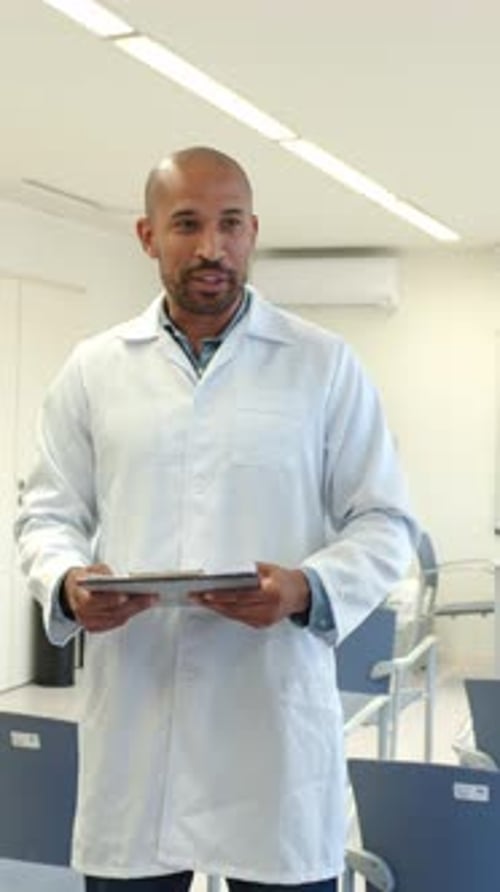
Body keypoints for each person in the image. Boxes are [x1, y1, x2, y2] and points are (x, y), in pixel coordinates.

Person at [15, 146, 417, 892]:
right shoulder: (95, 369)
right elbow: (46, 511)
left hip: (269, 723)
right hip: (139, 723)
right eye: (187, 224)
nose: (211, 247)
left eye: (230, 224)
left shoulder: (322, 365)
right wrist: (68, 581)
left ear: (253, 230)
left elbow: (387, 521)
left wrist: (304, 589)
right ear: (146, 236)